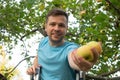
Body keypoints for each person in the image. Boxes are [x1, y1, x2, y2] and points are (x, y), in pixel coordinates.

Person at [26, 8, 100, 80]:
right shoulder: (43, 42)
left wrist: (80, 64)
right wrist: (34, 66)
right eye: (52, 24)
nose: (57, 29)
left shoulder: (70, 48)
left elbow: (73, 59)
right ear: (46, 27)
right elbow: (38, 56)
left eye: (61, 25)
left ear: (66, 29)